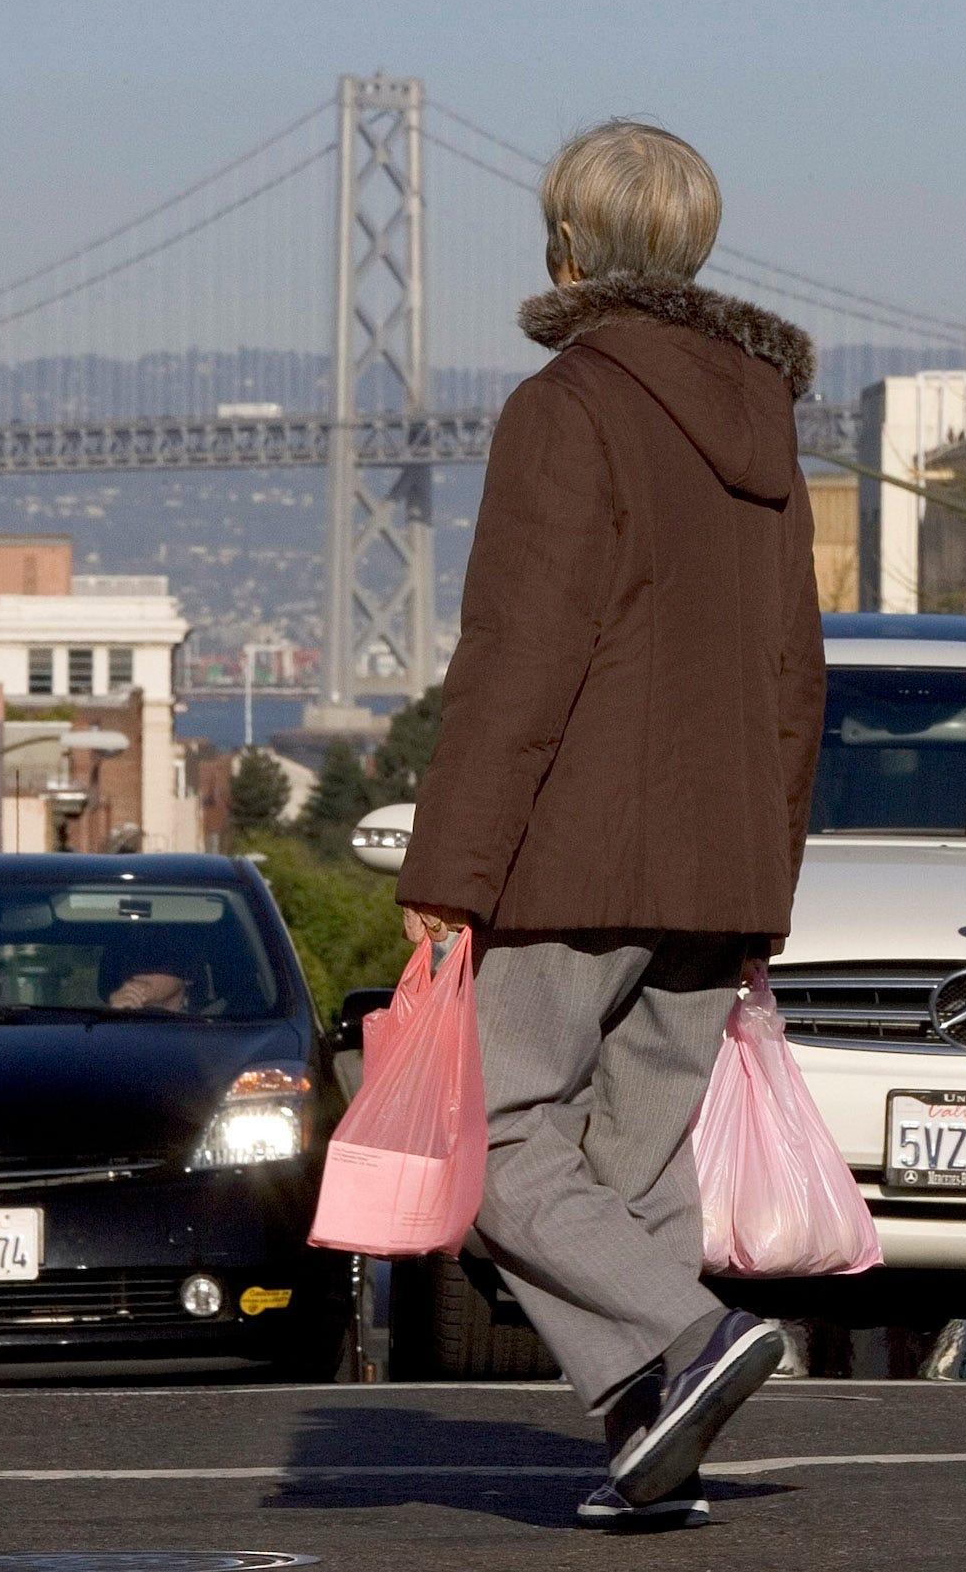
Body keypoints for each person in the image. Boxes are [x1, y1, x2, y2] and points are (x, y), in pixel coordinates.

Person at [394, 119, 824, 1529]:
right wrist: (774, 873)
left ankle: (688, 1335)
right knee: (631, 1162)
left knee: (490, 1132)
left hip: (579, 855)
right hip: (724, 861)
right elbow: (793, 675)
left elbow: (521, 652)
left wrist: (451, 868)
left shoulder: (566, 405)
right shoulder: (766, 423)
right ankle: (655, 1448)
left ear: (567, 245)